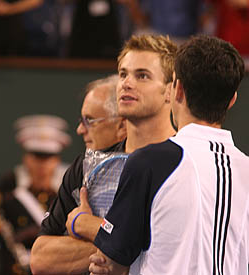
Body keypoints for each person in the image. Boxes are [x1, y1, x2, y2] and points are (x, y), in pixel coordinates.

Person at [89, 35, 248, 274]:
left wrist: (78, 222)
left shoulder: (149, 162)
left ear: (177, 89)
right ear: (232, 100)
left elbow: (111, 261)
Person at [30, 34, 176, 274]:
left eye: (142, 76)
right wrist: (117, 245)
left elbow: (176, 250)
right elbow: (40, 258)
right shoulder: (86, 166)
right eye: (123, 74)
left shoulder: (185, 164)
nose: (127, 83)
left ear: (171, 90)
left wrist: (85, 225)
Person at [0, 114, 71, 275]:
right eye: (36, 156)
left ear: (56, 160)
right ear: (26, 158)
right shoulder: (9, 186)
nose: (42, 164)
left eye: (48, 157)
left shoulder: (67, 189)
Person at [77, 75, 126, 150]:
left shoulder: (140, 161)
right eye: (82, 121)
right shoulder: (83, 160)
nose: (80, 130)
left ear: (122, 126)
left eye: (89, 120)